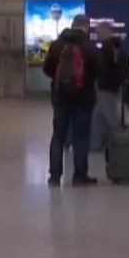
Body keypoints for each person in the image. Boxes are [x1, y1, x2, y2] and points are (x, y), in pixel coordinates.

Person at [42, 14, 100, 187]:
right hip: (83, 99)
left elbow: (47, 68)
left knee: (58, 135)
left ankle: (54, 176)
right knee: (81, 136)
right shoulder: (89, 46)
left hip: (61, 98)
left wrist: (60, 80)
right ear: (86, 27)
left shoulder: (58, 44)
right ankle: (80, 175)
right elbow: (98, 70)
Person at [90, 21, 126, 153]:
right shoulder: (115, 48)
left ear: (106, 32)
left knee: (111, 119)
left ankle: (124, 142)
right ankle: (96, 144)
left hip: (106, 87)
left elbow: (105, 68)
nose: (97, 35)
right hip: (108, 87)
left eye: (99, 32)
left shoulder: (107, 49)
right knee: (98, 116)